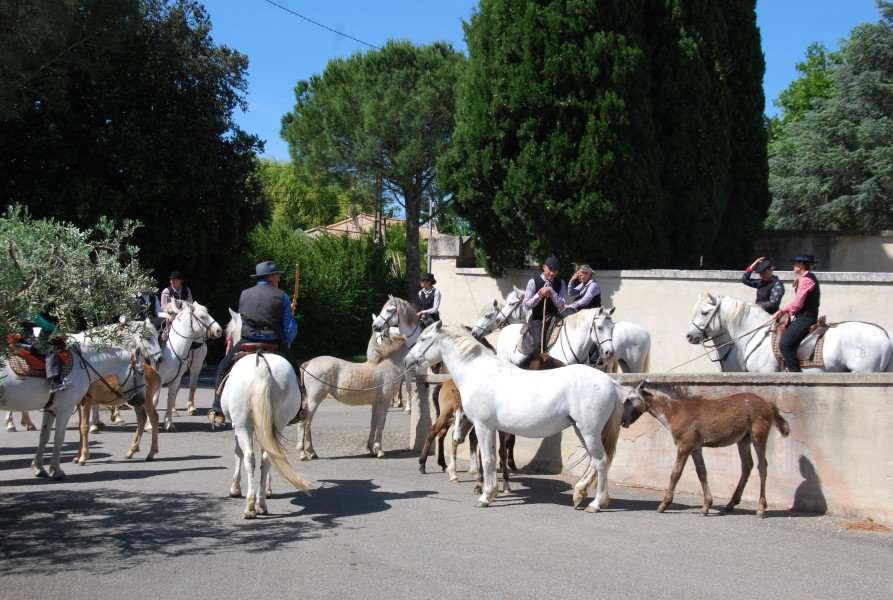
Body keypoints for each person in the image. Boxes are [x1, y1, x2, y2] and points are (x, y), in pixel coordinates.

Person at [209, 261, 303, 426]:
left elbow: (243, 319)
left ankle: (217, 409)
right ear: (270, 276)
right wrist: (287, 342)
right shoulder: (282, 295)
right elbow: (290, 328)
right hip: (274, 341)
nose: (279, 280)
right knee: (297, 372)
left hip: (248, 340)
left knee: (222, 369)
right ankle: (298, 410)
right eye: (277, 276)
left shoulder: (244, 294)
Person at [774, 254, 820, 372]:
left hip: (805, 318)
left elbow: (797, 304)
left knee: (785, 344)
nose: (793, 266)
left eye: (795, 263)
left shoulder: (805, 280)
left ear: (801, 264)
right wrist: (785, 310)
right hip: (806, 316)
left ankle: (795, 374)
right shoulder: (808, 277)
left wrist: (784, 310)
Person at [523, 255, 567, 356]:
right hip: (538, 318)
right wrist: (539, 295)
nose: (552, 273)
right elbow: (526, 305)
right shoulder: (533, 282)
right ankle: (534, 364)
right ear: (544, 267)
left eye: (555, 271)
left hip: (555, 316)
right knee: (538, 345)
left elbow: (561, 305)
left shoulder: (561, 283)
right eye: (550, 269)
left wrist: (552, 293)